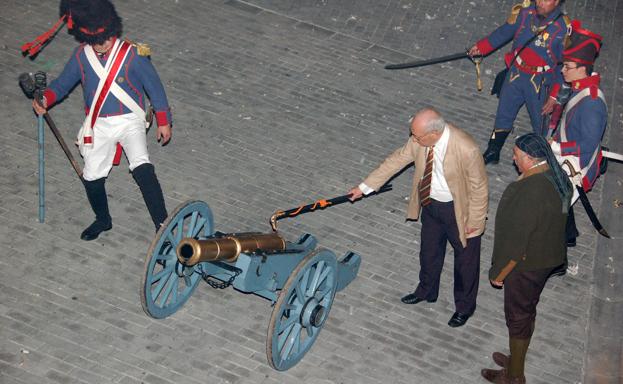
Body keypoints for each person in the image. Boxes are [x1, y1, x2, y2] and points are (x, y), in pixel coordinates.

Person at [27, 0, 172, 240]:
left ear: (111, 32)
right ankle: (103, 220)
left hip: (129, 120)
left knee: (142, 167)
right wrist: (46, 99)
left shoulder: (133, 55)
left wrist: (163, 120)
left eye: (103, 40)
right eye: (94, 42)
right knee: (92, 175)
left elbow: (154, 88)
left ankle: (162, 225)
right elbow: (63, 84)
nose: (100, 46)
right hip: (99, 123)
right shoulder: (82, 56)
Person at [349, 108, 488, 328]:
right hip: (431, 204)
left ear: (434, 133)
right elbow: (396, 160)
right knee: (429, 251)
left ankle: (464, 307)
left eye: (417, 136)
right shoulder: (420, 141)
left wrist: (475, 224)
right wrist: (364, 187)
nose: (413, 140)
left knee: (466, 262)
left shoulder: (466, 148)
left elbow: (479, 188)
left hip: (459, 210)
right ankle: (426, 291)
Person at [482, 133, 572, 383]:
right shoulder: (555, 176)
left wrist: (499, 274)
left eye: (517, 155)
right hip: (548, 255)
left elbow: (515, 243)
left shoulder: (527, 191)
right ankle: (516, 358)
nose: (513, 158)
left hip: (526, 265)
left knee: (518, 316)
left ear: (532, 159)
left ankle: (515, 375)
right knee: (528, 309)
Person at [468, 0, 571, 165]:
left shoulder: (563, 29)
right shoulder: (525, 12)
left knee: (540, 123)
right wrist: (482, 46)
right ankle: (494, 150)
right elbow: (505, 32)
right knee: (504, 112)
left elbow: (563, 66)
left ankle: (540, 160)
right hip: (516, 73)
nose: (540, 2)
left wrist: (553, 96)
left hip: (539, 82)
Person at [550, 21, 606, 248]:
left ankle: (557, 260)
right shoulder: (580, 87)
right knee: (562, 204)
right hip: (566, 156)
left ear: (582, 68)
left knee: (553, 212)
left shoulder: (592, 102)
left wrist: (557, 147)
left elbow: (587, 144)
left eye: (568, 66)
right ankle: (569, 235)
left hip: (576, 164)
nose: (563, 70)